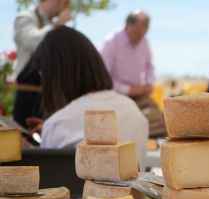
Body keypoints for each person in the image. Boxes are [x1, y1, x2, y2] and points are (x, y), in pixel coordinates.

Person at [33, 26, 148, 167]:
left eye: (42, 74)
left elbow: (50, 181)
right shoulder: (133, 111)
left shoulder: (57, 124)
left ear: (55, 76)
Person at [100, 11, 165, 137]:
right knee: (127, 122)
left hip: (139, 95)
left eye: (143, 33)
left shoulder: (144, 41)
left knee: (162, 120)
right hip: (115, 95)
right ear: (127, 26)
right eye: (136, 32)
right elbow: (104, 78)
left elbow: (150, 66)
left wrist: (149, 84)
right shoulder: (111, 42)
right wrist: (129, 90)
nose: (139, 37)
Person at [12, 0, 71, 130]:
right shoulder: (25, 17)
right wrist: (57, 25)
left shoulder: (52, 24)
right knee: (24, 141)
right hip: (27, 95)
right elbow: (31, 41)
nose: (66, 5)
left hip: (48, 96)